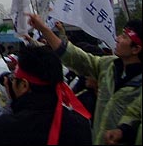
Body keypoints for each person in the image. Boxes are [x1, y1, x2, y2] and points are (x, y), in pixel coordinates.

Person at [28, 13, 142, 145]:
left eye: (124, 36)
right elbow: (76, 58)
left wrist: (124, 134)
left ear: (136, 49)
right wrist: (45, 29)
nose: (117, 39)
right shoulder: (108, 65)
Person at [0, 45, 93, 145]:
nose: (10, 82)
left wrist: (11, 104)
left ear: (24, 85)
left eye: (13, 78)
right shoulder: (81, 124)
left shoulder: (2, 128)